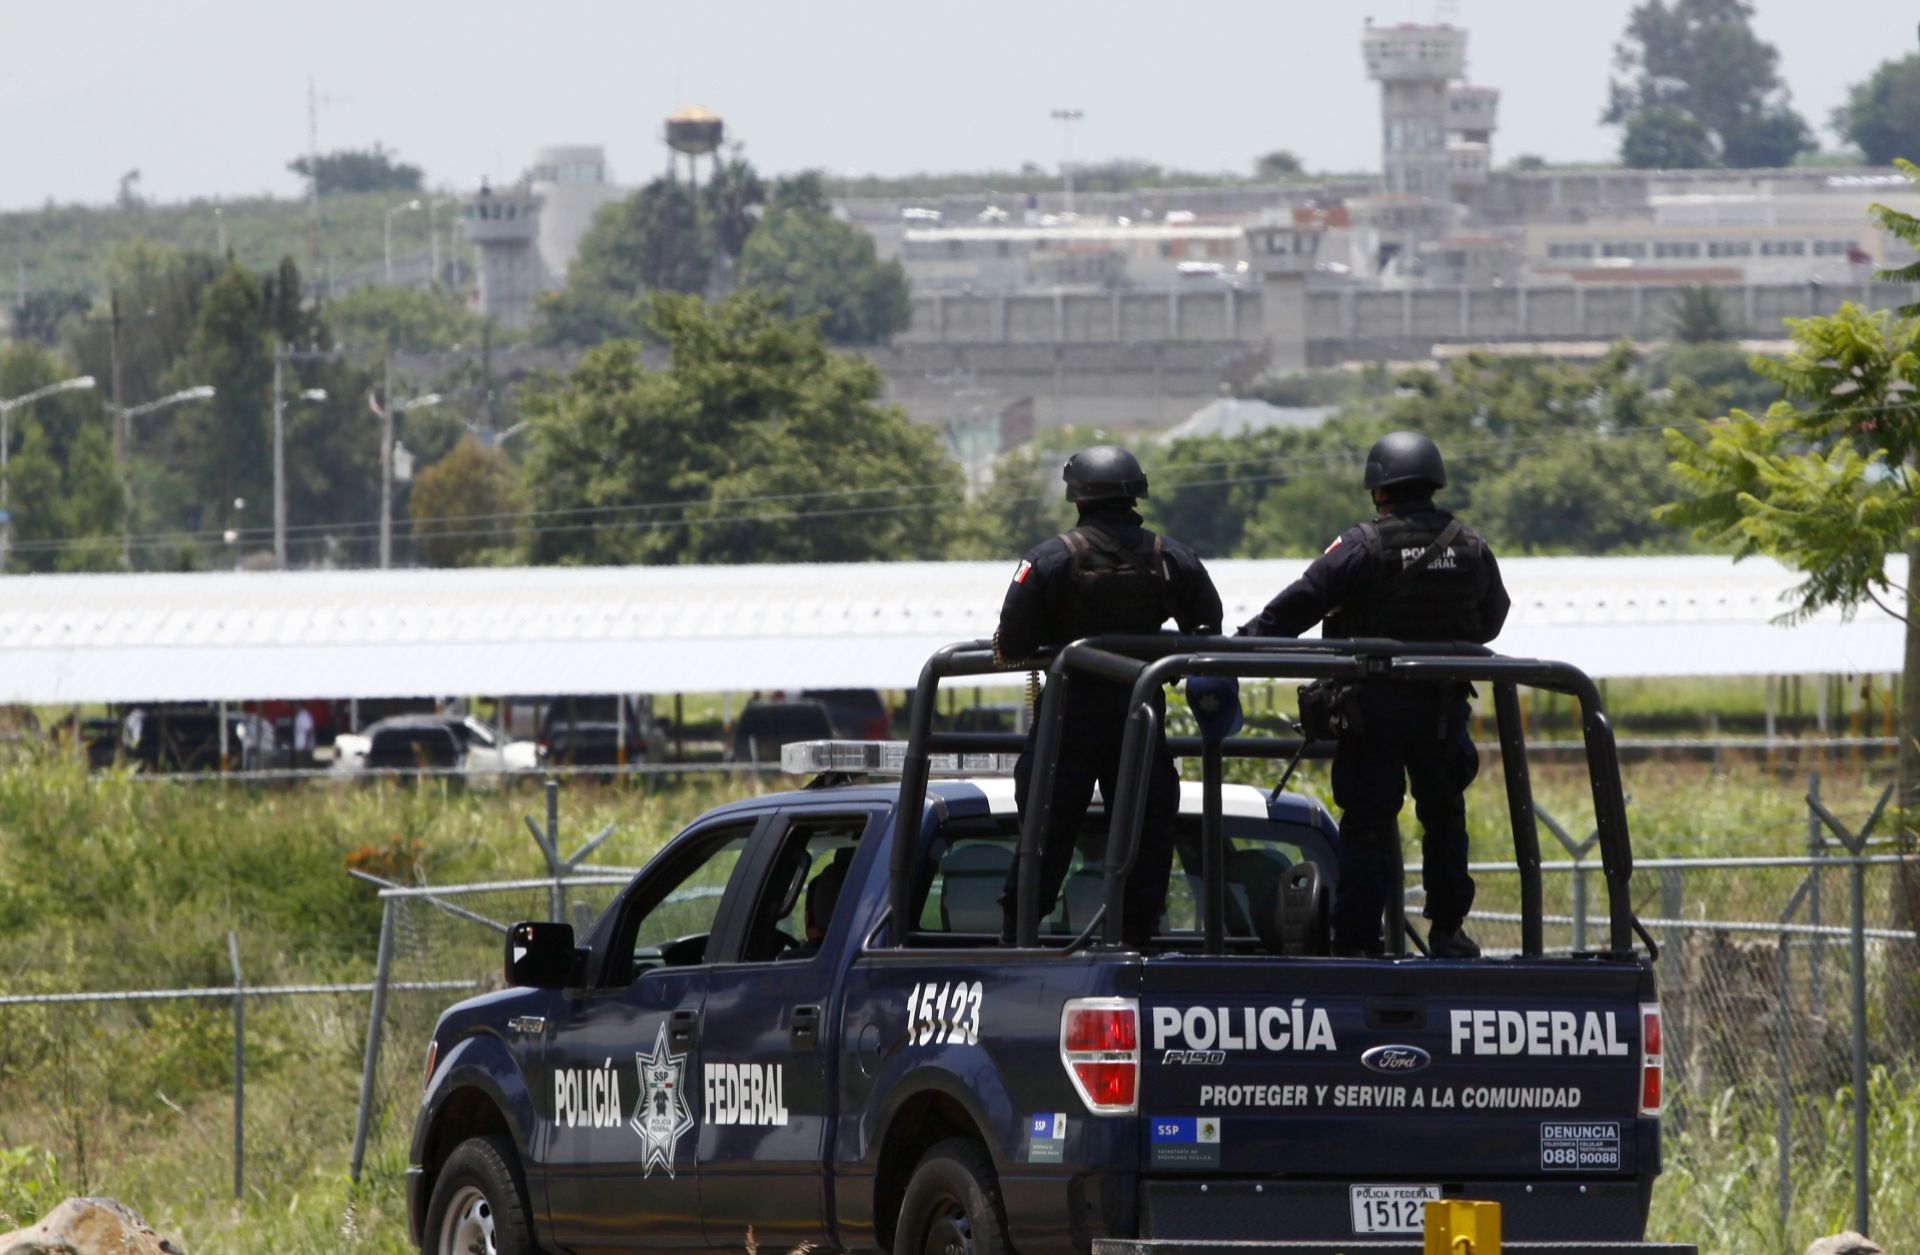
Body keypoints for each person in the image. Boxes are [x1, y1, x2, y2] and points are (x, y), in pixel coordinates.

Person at [1238, 431, 1510, 959]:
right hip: (1440, 708)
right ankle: (1449, 931)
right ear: (1434, 482)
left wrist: (1241, 646)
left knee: (1367, 824)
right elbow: (1493, 618)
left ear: (1378, 488)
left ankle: (1358, 941)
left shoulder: (1363, 545)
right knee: (1445, 815)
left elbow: (1301, 602)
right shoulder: (1470, 545)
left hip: (1373, 710)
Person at [995, 445, 1224, 948]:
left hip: (1066, 724)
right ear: (1135, 494)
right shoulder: (1174, 558)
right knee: (1145, 836)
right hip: (1139, 721)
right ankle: (1135, 941)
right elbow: (1207, 632)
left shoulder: (1048, 559)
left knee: (1043, 838)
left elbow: (1010, 644)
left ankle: (1019, 941)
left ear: (1076, 496)